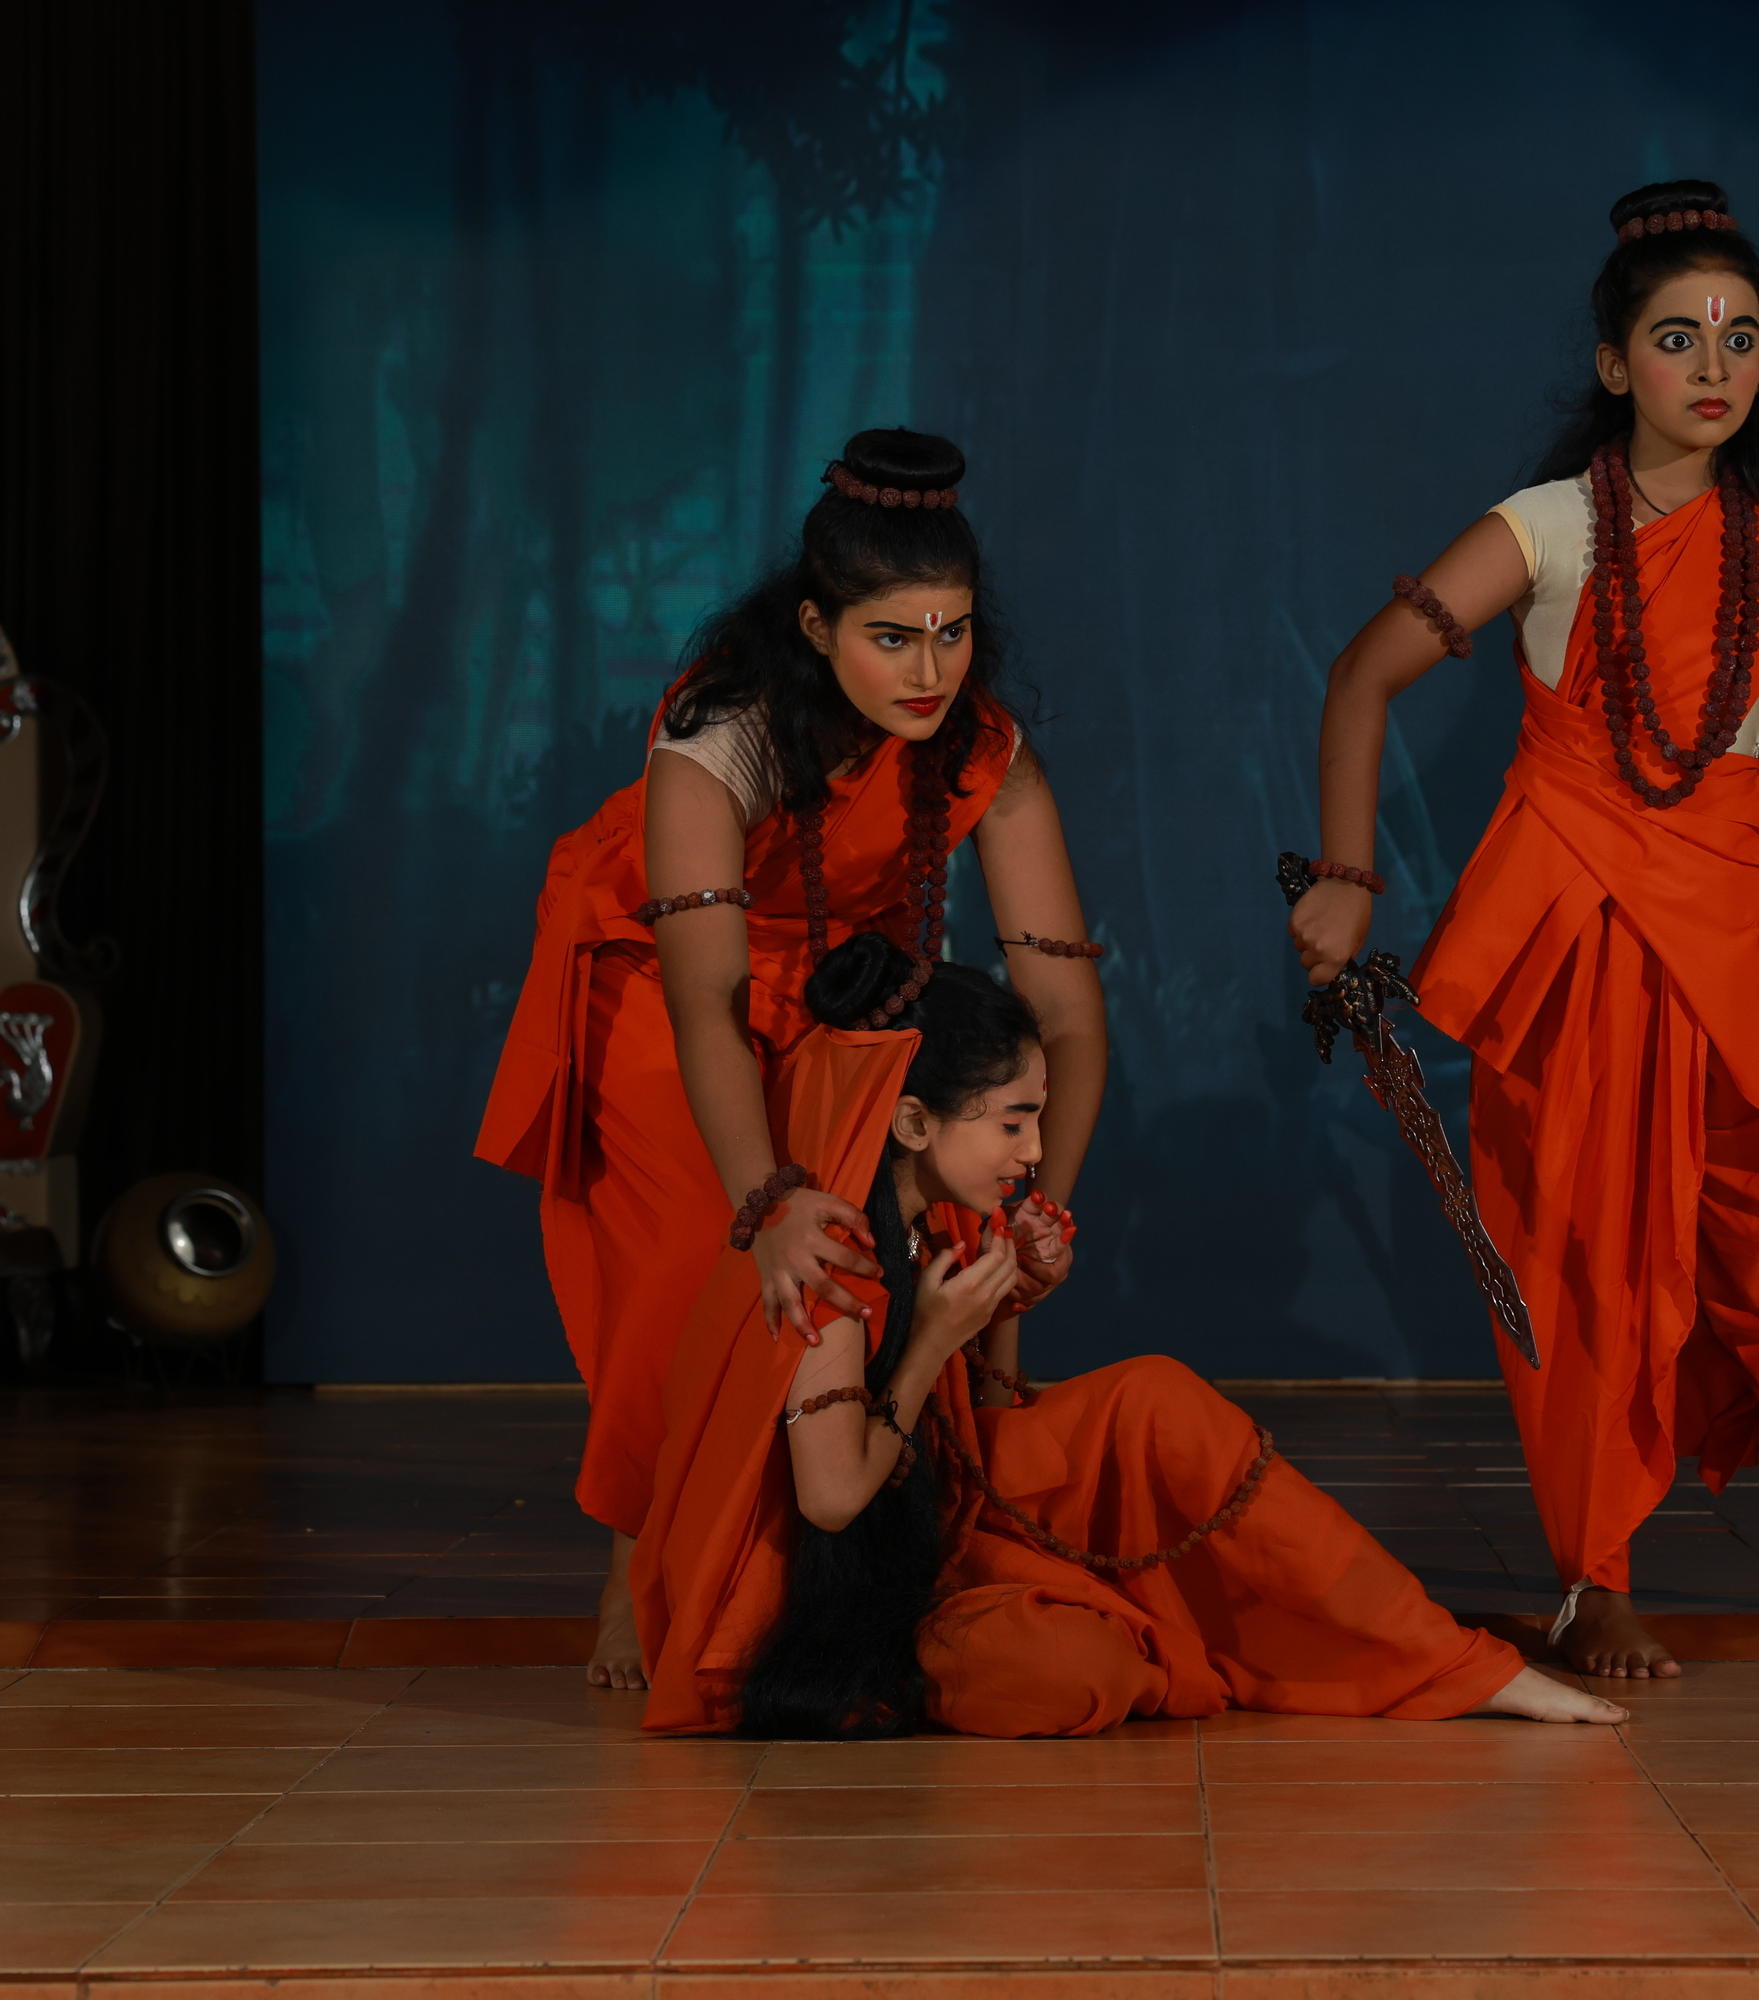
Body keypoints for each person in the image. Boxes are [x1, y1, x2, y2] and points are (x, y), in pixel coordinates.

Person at [1288, 181, 1759, 1681]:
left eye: (1740, 338)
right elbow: (1363, 674)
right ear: (1615, 363)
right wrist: (1347, 874)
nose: (1714, 364)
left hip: (1755, 934)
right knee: (1597, 1256)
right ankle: (1591, 1578)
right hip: (1597, 935)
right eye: (1679, 336)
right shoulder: (1548, 526)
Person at [633, 932, 1625, 1737]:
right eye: (1012, 1123)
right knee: (1080, 1671)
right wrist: (938, 1335)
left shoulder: (925, 1220)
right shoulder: (830, 1261)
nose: (1033, 1152)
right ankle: (1190, 1637)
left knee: (1156, 1397)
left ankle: (1451, 1662)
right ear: (913, 1123)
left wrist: (1001, 1297)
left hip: (929, 1534)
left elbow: (943, 1414)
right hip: (827, 1619)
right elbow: (834, 1497)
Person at [478, 429, 1108, 1690]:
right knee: (695, 1255)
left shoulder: (984, 750)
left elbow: (1066, 1011)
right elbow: (706, 1000)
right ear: (817, 627)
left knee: (904, 1232)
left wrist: (1033, 1202)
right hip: (661, 982)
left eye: (953, 632)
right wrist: (763, 1198)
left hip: (845, 996)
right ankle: (637, 1555)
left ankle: (833, 1559)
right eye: (894, 637)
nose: (929, 670)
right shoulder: (721, 733)